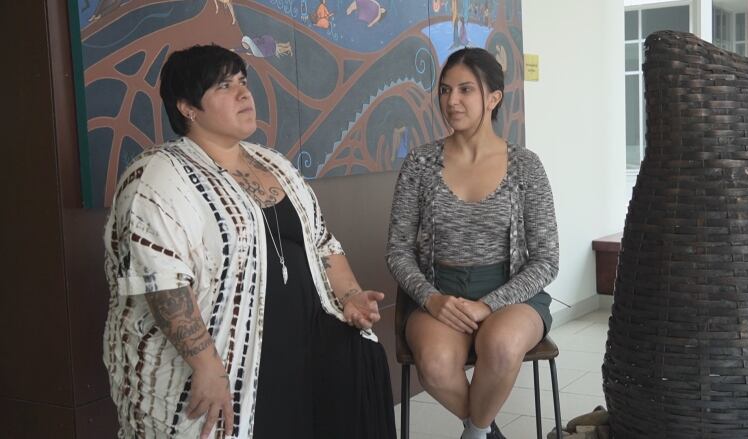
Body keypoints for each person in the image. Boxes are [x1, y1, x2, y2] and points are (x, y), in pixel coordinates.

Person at [103, 44, 396, 439]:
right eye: (225, 86)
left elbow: (322, 242)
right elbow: (163, 282)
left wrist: (350, 295)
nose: (244, 94)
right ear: (188, 107)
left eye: (243, 82)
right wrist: (206, 366)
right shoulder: (160, 175)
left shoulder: (274, 163)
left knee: (361, 364)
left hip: (302, 345)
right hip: (230, 357)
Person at [386, 47, 558, 439]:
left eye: (466, 89)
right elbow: (397, 250)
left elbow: (547, 260)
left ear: (493, 98)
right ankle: (484, 430)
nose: (452, 101)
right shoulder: (420, 163)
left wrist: (488, 305)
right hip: (439, 293)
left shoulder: (526, 166)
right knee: (434, 362)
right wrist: (431, 299)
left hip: (511, 293)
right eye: (445, 90)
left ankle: (476, 433)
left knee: (500, 344)